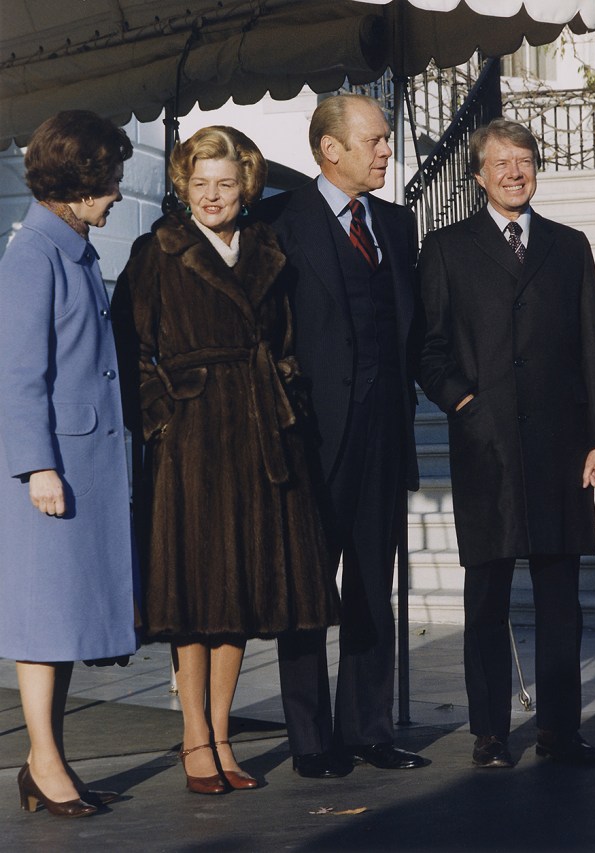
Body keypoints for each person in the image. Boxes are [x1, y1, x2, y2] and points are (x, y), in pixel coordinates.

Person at [111, 125, 340, 795]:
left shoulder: (268, 248)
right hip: (191, 443)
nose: (213, 196)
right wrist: (162, 414)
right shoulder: (156, 250)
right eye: (201, 183)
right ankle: (194, 739)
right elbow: (128, 349)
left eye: (227, 183)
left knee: (239, 593)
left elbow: (288, 341)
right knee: (195, 595)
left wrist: (286, 398)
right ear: (183, 186)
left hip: (262, 434)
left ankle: (223, 734)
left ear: (247, 185)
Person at [417, 117, 595, 768]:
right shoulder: (447, 249)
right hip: (488, 446)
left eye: (524, 159)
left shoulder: (570, 245)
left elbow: (592, 348)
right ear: (477, 174)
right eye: (500, 161)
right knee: (487, 598)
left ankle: (561, 729)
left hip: (563, 449)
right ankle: (491, 733)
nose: (514, 171)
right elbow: (428, 348)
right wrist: (463, 402)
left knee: (562, 598)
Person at [260, 93, 426, 778]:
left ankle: (369, 729)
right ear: (331, 149)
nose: (386, 151)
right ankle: (310, 740)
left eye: (386, 139)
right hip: (311, 435)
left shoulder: (395, 222)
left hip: (384, 430)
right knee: (306, 586)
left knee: (371, 585)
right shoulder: (278, 223)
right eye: (375, 141)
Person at [0, 110, 137, 817]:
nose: (116, 191)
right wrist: (38, 468)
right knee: (42, 620)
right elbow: (18, 374)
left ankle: (46, 762)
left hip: (79, 461)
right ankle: (44, 762)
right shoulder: (35, 255)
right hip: (51, 471)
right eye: (110, 178)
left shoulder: (72, 246)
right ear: (80, 182)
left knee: (57, 621)